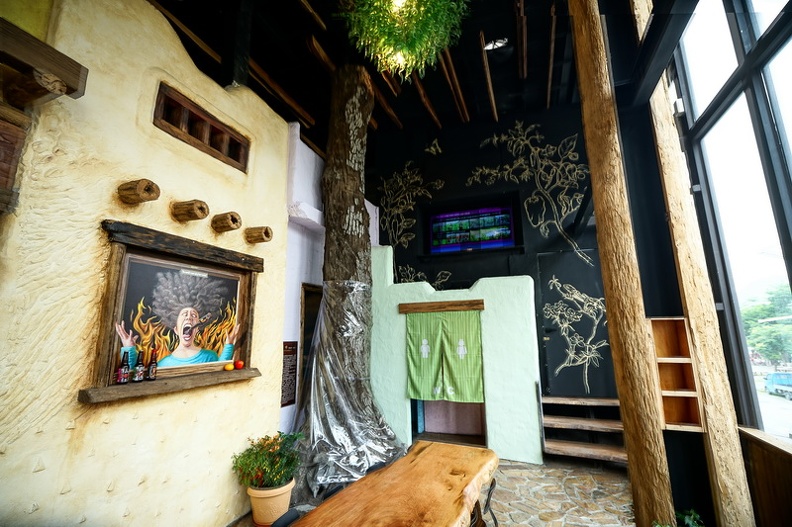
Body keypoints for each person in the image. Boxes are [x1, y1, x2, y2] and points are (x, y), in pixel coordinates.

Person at [115, 270, 240, 368]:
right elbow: (133, 378)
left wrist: (229, 345)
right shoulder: (163, 363)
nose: (189, 318)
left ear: (197, 329)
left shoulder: (210, 356)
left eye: (194, 315)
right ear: (176, 329)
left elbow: (220, 371)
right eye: (184, 314)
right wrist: (129, 349)